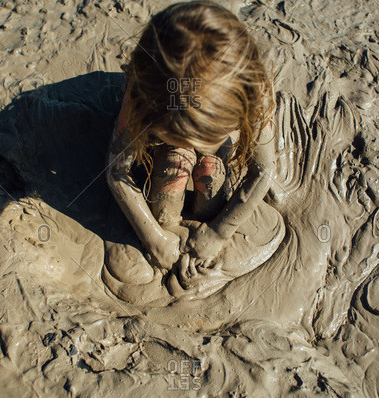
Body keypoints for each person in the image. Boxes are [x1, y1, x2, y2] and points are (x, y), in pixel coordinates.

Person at [106, 1, 278, 275]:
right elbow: (116, 168)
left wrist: (220, 232)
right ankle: (173, 187)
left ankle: (210, 169)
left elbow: (264, 169)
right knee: (173, 169)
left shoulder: (253, 96)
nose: (194, 146)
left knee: (210, 172)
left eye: (202, 138)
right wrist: (154, 237)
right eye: (182, 136)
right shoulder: (141, 95)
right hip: (163, 112)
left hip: (213, 132)